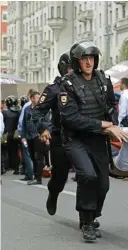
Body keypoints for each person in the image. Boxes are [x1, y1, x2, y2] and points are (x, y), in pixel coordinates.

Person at [58, 39, 128, 242]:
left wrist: (113, 125)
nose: (89, 62)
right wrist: (103, 125)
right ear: (76, 61)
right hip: (76, 140)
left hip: (98, 139)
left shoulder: (102, 80)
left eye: (91, 58)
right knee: (88, 176)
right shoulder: (68, 84)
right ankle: (87, 222)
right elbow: (70, 118)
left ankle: (90, 214)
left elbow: (111, 107)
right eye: (84, 59)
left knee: (103, 184)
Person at [31, 51, 74, 216]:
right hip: (60, 137)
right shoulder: (54, 89)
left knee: (89, 176)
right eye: (69, 67)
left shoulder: (85, 85)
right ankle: (53, 193)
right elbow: (37, 112)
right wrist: (44, 127)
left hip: (83, 137)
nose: (72, 71)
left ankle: (87, 216)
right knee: (60, 176)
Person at [22, 91, 49, 185]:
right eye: (37, 97)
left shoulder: (42, 109)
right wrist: (23, 136)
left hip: (38, 135)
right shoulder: (27, 109)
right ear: (32, 98)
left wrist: (46, 134)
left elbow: (47, 122)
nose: (38, 99)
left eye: (39, 97)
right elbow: (24, 123)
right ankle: (35, 175)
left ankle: (38, 178)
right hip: (29, 136)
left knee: (39, 157)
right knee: (32, 156)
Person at [2, 95, 21, 174]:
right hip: (16, 134)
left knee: (4, 151)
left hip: (6, 134)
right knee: (15, 150)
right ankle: (16, 168)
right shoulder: (19, 112)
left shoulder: (4, 113)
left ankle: (5, 167)